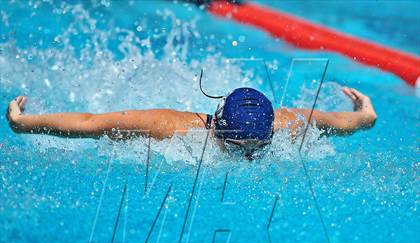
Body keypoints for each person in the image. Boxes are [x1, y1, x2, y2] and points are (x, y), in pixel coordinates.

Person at [6, 77, 376, 158]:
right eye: (237, 145)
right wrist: (23, 123)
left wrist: (367, 115)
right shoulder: (171, 128)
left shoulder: (286, 125)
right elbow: (91, 124)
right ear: (216, 128)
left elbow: (346, 123)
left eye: (258, 145)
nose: (248, 155)